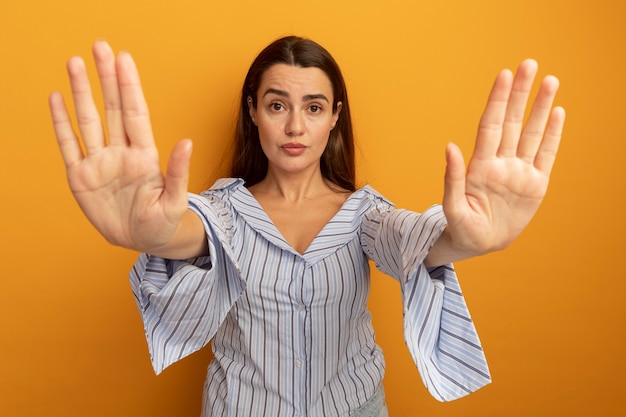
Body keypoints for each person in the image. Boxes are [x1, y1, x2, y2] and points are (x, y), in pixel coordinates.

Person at [49, 36, 565, 417]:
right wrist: (154, 235)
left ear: (334, 117)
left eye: (313, 107)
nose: (295, 126)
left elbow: (413, 239)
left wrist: (462, 240)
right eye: (277, 105)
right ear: (254, 112)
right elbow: (188, 231)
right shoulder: (224, 210)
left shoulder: (365, 214)